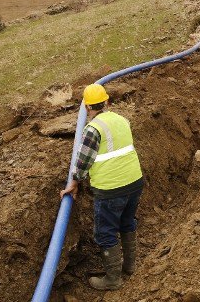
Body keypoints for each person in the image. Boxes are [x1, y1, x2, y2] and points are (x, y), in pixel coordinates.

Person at [60, 83, 144, 291]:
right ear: (107, 102)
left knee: (106, 233)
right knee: (127, 222)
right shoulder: (121, 119)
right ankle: (130, 266)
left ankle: (113, 279)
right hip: (134, 182)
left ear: (87, 108)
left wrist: (74, 182)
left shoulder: (93, 129)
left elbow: (83, 162)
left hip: (110, 189)